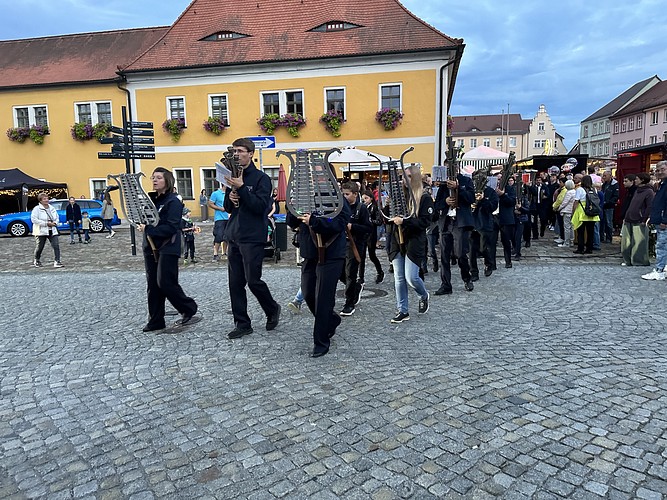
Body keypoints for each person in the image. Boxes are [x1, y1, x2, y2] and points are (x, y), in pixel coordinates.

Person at [223, 138, 281, 339]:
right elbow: (227, 208)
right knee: (235, 283)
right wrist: (230, 197)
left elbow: (260, 207)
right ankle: (242, 323)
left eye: (240, 151)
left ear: (250, 154)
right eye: (234, 151)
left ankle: (272, 308)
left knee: (253, 280)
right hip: (234, 235)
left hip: (252, 236)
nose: (236, 154)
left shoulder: (261, 179)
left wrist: (241, 188)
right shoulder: (232, 176)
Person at [136, 167, 198, 332]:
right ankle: (156, 320)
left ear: (167, 181)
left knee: (165, 282)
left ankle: (188, 307)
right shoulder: (151, 200)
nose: (155, 180)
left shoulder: (173, 202)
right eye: (153, 177)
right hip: (150, 246)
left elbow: (171, 227)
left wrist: (148, 229)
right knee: (153, 285)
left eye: (159, 178)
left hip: (168, 246)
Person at [287, 197, 351, 357]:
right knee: (308, 292)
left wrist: (315, 222)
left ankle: (321, 341)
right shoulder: (304, 196)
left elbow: (339, 223)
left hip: (332, 253)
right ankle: (331, 320)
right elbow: (292, 223)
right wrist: (293, 208)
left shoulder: (338, 198)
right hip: (310, 252)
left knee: (323, 298)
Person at [387, 164, 433, 323]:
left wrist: (405, 222)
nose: (404, 180)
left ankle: (423, 294)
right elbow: (387, 219)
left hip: (414, 240)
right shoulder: (399, 196)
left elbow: (425, 222)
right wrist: (388, 208)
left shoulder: (424, 198)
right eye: (402, 177)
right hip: (397, 239)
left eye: (408, 176)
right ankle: (403, 310)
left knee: (411, 277)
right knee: (399, 278)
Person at [434, 169, 475, 295]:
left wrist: (459, 187)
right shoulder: (443, 185)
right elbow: (437, 204)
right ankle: (446, 285)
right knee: (444, 256)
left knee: (460, 254)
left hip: (460, 222)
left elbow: (471, 198)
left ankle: (467, 278)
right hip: (446, 222)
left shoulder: (466, 181)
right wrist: (445, 202)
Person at [339, 182, 372, 316]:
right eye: (343, 194)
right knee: (339, 272)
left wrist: (353, 227)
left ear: (355, 194)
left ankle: (349, 303)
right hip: (341, 243)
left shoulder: (361, 208)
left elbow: (368, 228)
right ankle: (356, 288)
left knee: (350, 273)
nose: (345, 197)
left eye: (347, 194)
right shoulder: (340, 207)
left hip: (355, 244)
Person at [620, 172, 654, 266]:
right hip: (629, 218)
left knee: (639, 242)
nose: (635, 180)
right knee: (626, 242)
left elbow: (649, 207)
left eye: (637, 179)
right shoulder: (637, 190)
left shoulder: (649, 192)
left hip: (639, 220)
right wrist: (626, 216)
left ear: (642, 180)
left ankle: (639, 261)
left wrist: (644, 219)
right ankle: (628, 260)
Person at [642, 161, 667, 280]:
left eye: (662, 169)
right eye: (657, 170)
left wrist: (665, 220)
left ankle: (659, 270)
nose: (659, 172)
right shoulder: (662, 184)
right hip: (659, 219)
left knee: (661, 246)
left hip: (663, 221)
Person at [31, 192, 63, 268]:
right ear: (40, 200)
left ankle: (57, 261)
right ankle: (37, 260)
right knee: (40, 246)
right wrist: (46, 224)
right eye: (44, 199)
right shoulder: (36, 209)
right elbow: (34, 220)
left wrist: (55, 223)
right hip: (41, 231)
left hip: (52, 230)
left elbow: (56, 217)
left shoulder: (52, 208)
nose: (46, 200)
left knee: (56, 246)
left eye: (47, 198)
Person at [359, 190, 385, 284]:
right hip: (363, 235)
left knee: (372, 255)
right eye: (363, 199)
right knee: (361, 257)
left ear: (371, 198)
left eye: (366, 198)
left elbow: (379, 221)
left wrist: (369, 221)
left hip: (371, 235)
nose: (364, 200)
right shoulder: (362, 207)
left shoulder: (374, 207)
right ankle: (361, 277)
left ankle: (380, 272)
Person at [572, 175, 601, 255]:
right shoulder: (594, 189)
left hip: (582, 212)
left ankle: (580, 248)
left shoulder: (580, 189)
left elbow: (576, 201)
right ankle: (589, 248)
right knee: (590, 232)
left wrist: (573, 211)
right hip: (592, 213)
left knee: (580, 232)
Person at [496, 173, 517, 268]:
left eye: (501, 178)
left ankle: (508, 261)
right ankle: (491, 264)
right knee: (491, 242)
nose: (499, 180)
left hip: (505, 218)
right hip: (493, 217)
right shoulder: (491, 189)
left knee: (506, 241)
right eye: (498, 179)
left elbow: (512, 202)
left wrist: (503, 195)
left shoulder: (509, 189)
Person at [208, 183, 229, 261]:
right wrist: (220, 208)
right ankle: (215, 253)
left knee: (226, 236)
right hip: (219, 218)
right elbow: (210, 204)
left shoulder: (230, 193)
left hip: (228, 218)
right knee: (219, 236)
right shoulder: (216, 193)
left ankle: (224, 253)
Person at [600, 170, 619, 243]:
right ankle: (602, 237)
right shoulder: (604, 184)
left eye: (605, 176)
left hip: (609, 206)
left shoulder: (614, 185)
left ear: (610, 176)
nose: (604, 177)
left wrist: (609, 202)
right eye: (603, 176)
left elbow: (615, 196)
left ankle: (609, 238)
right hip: (603, 206)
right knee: (602, 222)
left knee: (608, 222)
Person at [557, 180, 576, 247]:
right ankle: (571, 241)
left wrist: (559, 208)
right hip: (572, 211)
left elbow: (565, 202)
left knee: (567, 227)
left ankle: (567, 242)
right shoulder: (574, 191)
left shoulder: (569, 193)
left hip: (567, 211)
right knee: (571, 227)